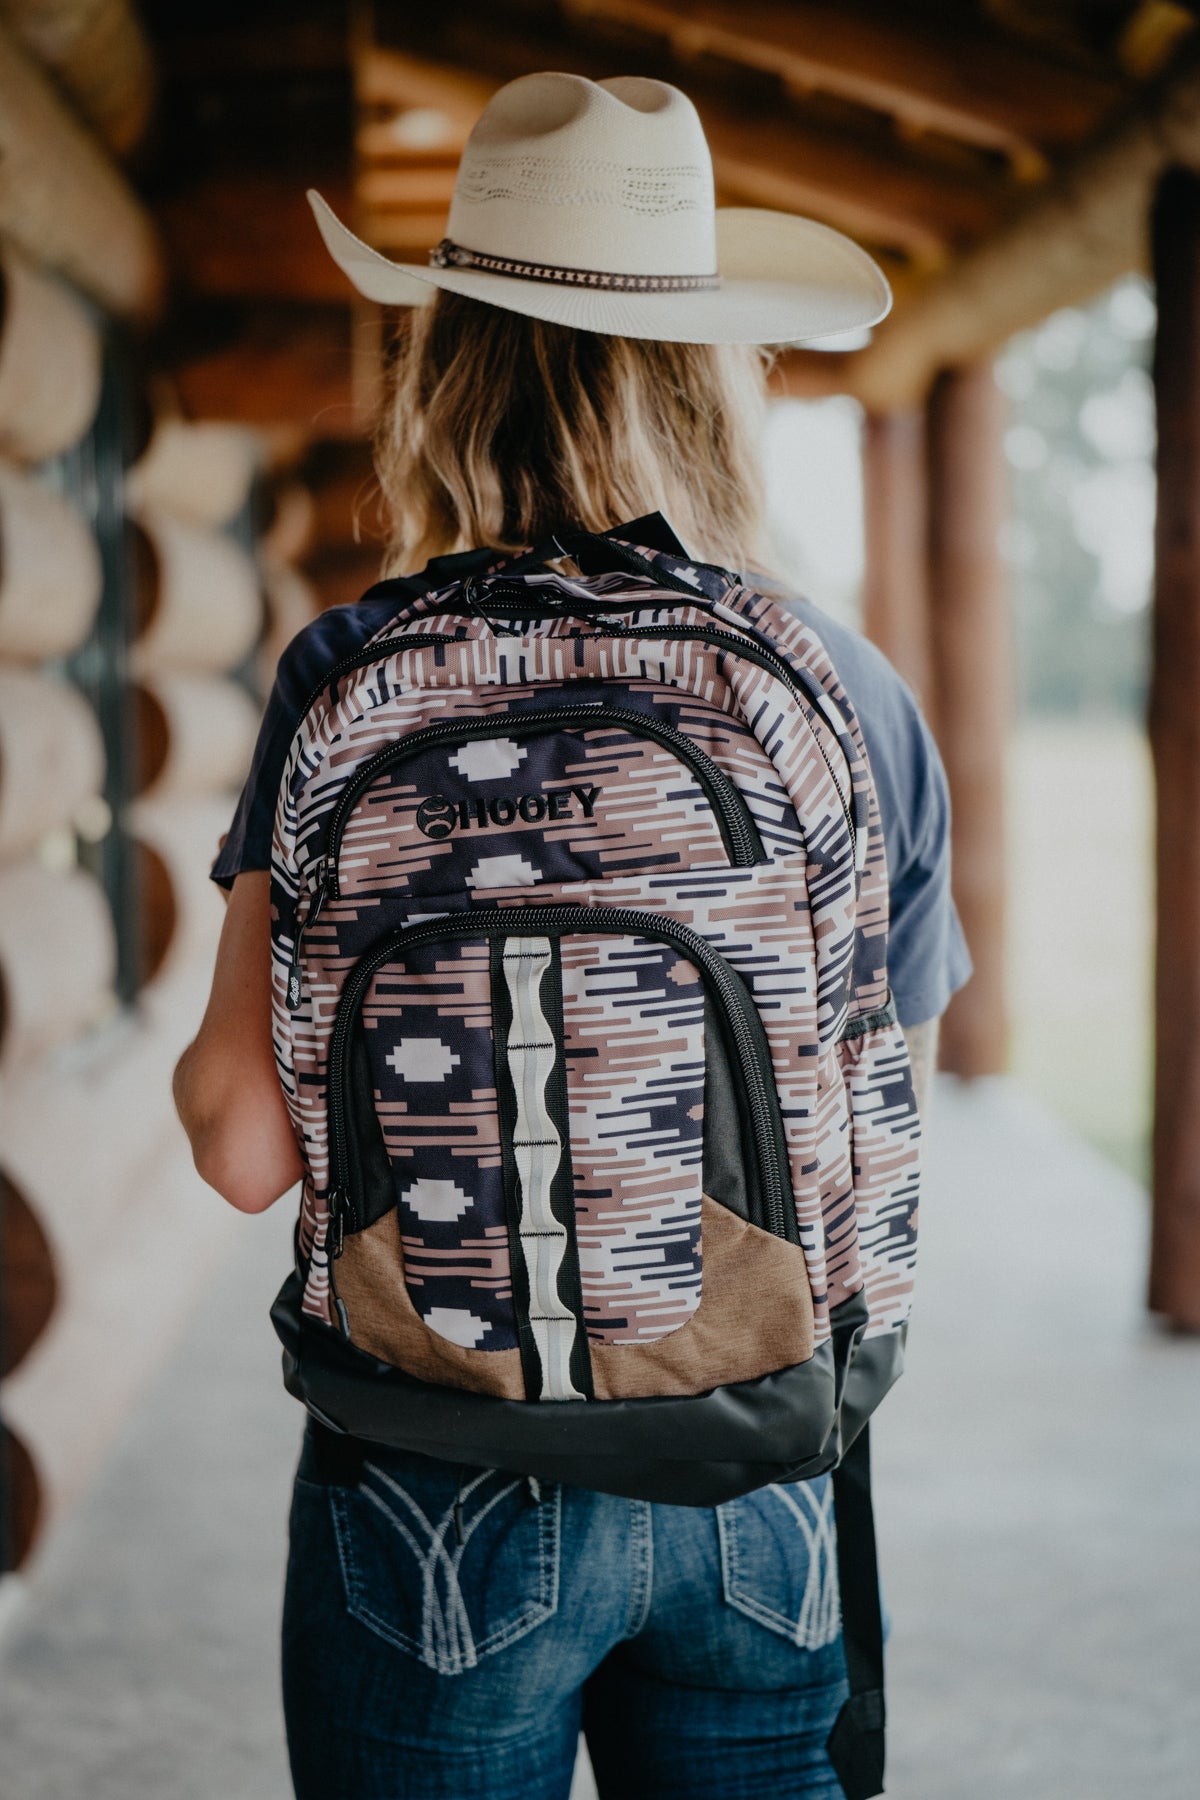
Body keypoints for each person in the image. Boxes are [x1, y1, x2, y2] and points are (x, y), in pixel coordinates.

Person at [174, 71, 969, 1800]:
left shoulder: (344, 673)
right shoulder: (837, 683)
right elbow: (873, 1121)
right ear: (713, 372)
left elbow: (240, 1148)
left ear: (443, 372)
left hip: (427, 1469)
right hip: (756, 1467)